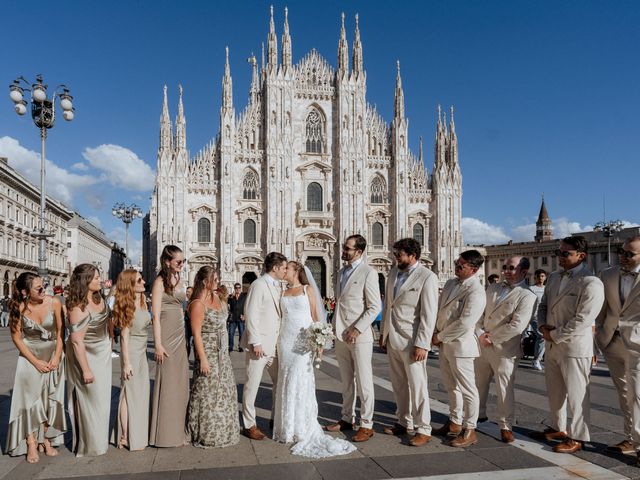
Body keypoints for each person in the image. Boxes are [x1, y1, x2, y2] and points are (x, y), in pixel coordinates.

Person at [530, 236, 604, 454]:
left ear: (581, 256)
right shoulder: (553, 277)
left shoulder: (591, 282)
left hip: (574, 346)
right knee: (555, 391)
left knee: (577, 394)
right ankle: (557, 427)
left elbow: (584, 319)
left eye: (565, 253)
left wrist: (555, 335)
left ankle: (579, 437)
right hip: (551, 343)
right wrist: (543, 327)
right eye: (558, 252)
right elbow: (543, 305)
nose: (559, 256)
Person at [273, 261, 356, 457]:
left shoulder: (307, 288)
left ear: (297, 271)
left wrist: (319, 342)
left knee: (300, 380)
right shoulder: (281, 292)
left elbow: (316, 316)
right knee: (286, 379)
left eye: (288, 268)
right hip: (285, 340)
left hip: (303, 341)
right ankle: (287, 426)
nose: (284, 270)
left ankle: (302, 426)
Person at [380, 238, 438, 447]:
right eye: (395, 254)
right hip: (393, 337)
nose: (396, 258)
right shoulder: (394, 273)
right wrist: (383, 333)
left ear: (412, 255)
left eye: (399, 254)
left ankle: (424, 428)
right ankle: (404, 421)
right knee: (398, 384)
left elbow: (428, 314)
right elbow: (388, 305)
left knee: (418, 385)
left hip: (412, 340)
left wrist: (422, 343)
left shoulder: (427, 277)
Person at [326, 234, 381, 443]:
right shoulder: (341, 272)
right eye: (344, 247)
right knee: (347, 381)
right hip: (341, 334)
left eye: (347, 248)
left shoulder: (369, 272)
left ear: (359, 251)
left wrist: (357, 329)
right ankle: (347, 417)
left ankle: (366, 424)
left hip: (359, 336)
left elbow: (374, 306)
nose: (343, 250)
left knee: (365, 381)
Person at [5, 272, 66, 462]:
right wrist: (35, 361)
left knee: (49, 399)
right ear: (25, 292)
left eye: (44, 286)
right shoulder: (19, 307)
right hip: (29, 358)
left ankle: (46, 439)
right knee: (29, 401)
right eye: (38, 288)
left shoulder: (54, 302)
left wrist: (56, 356)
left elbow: (60, 332)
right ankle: (31, 441)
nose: (43, 290)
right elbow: (16, 338)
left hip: (52, 355)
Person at [475, 256, 537, 443]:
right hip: (482, 344)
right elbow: (480, 313)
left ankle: (505, 425)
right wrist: (479, 333)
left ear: (524, 272)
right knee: (477, 384)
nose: (506, 271)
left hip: (505, 348)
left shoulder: (528, 295)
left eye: (511, 268)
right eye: (505, 267)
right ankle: (476, 416)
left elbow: (517, 326)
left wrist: (491, 338)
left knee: (504, 389)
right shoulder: (493, 288)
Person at [432, 250, 486, 447]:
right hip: (445, 344)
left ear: (473, 269)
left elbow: (465, 322)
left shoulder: (476, 291)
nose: (456, 266)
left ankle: (470, 429)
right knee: (450, 386)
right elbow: (441, 310)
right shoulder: (450, 283)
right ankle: (454, 422)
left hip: (461, 346)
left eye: (461, 265)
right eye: (457, 262)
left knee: (468, 389)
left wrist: (439, 335)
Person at [596, 236, 640, 459]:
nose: (623, 256)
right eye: (621, 252)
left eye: (629, 254)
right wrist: (599, 338)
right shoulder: (608, 274)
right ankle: (631, 438)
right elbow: (602, 311)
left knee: (637, 393)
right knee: (624, 393)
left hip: (638, 344)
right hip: (612, 341)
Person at [187, 266, 239, 448]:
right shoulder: (197, 304)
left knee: (223, 391)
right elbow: (196, 334)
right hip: (208, 351)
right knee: (207, 392)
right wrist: (203, 359)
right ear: (204, 282)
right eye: (214, 280)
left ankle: (224, 430)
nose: (218, 282)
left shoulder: (216, 297)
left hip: (222, 353)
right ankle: (208, 432)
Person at [66, 264, 112, 457]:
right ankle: (90, 444)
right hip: (88, 356)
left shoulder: (98, 298)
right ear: (85, 281)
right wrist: (85, 369)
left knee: (102, 400)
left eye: (99, 277)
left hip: (102, 353)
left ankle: (99, 440)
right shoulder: (78, 306)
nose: (99, 280)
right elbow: (77, 341)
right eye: (94, 278)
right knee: (90, 399)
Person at [240, 252, 287, 440]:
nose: (285, 271)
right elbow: (251, 313)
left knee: (279, 383)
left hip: (275, 346)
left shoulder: (278, 286)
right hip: (259, 346)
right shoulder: (258, 285)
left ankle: (275, 418)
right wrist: (255, 341)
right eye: (283, 267)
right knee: (252, 385)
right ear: (275, 268)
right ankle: (249, 424)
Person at [149, 245, 190, 447]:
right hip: (166, 334)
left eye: (183, 261)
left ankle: (177, 430)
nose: (182, 265)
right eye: (178, 262)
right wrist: (157, 344)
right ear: (167, 262)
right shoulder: (159, 282)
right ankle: (165, 434)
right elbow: (155, 315)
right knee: (168, 382)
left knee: (180, 383)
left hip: (180, 334)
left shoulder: (179, 280)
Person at [112, 269, 151, 451]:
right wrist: (126, 362)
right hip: (132, 353)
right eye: (139, 281)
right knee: (128, 395)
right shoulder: (128, 306)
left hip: (141, 352)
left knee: (137, 394)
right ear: (130, 285)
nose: (143, 283)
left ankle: (131, 433)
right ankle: (125, 436)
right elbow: (124, 337)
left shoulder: (142, 302)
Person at [528, 269, 547, 370]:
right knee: (542, 336)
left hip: (545, 317)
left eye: (543, 276)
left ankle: (538, 358)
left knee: (543, 337)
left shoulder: (547, 289)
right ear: (535, 277)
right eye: (539, 276)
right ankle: (536, 360)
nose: (541, 278)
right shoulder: (531, 288)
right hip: (534, 316)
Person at [228, 283, 247, 353]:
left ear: (241, 288)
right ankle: (230, 347)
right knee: (231, 333)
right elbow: (225, 302)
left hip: (241, 318)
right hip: (233, 318)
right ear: (234, 288)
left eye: (239, 288)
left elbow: (247, 306)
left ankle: (240, 347)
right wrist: (230, 297)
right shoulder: (231, 297)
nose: (238, 289)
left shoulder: (244, 296)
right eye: (236, 288)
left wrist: (245, 315)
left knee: (241, 334)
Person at [184, 286, 193, 358]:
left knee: (196, 344)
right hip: (187, 325)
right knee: (187, 343)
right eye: (187, 292)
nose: (187, 293)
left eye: (189, 292)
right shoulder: (185, 302)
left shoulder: (195, 302)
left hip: (194, 325)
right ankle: (186, 358)